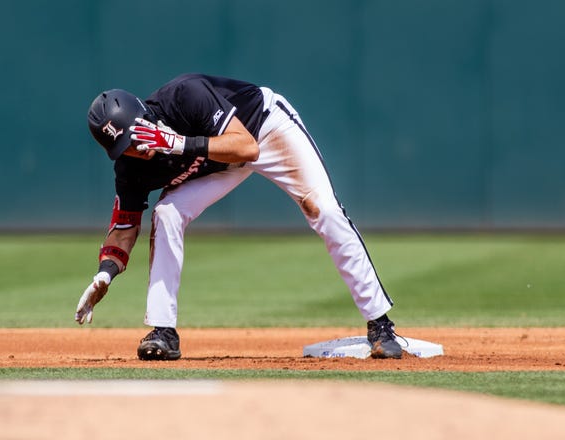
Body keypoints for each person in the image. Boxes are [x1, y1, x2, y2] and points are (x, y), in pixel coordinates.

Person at [76, 73, 403, 360]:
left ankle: (380, 324)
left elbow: (246, 148)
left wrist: (177, 143)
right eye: (124, 147)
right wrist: (105, 274)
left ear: (144, 116)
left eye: (135, 137)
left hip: (263, 129)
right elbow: (123, 229)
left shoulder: (185, 96)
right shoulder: (130, 168)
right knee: (166, 213)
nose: (135, 149)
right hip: (214, 164)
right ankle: (163, 331)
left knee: (323, 209)